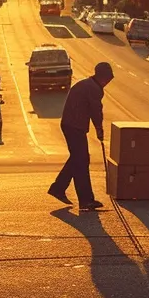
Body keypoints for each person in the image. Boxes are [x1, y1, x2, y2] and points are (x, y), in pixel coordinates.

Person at [50, 62, 112, 210]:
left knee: (78, 159)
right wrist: (99, 129)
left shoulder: (87, 84)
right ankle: (85, 200)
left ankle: (58, 188)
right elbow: (96, 111)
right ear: (103, 77)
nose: (108, 82)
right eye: (108, 79)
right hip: (74, 126)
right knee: (81, 160)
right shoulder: (94, 89)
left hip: (71, 124)